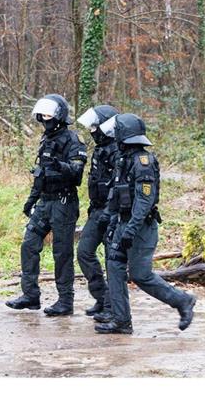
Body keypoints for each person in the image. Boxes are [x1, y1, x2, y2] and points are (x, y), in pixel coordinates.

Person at [95, 113, 196, 334]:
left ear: (125, 135)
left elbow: (144, 200)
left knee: (140, 275)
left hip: (140, 228)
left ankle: (182, 300)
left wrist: (130, 229)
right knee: (113, 269)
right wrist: (111, 222)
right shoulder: (122, 160)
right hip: (122, 224)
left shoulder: (143, 162)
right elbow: (116, 196)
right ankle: (122, 321)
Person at [6, 94, 87, 316]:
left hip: (64, 202)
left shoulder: (73, 140)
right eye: (42, 115)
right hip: (45, 201)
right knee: (29, 245)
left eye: (48, 115)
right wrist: (31, 199)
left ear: (59, 115)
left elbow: (77, 173)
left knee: (62, 253)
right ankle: (30, 295)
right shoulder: (46, 140)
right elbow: (40, 175)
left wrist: (58, 165)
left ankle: (65, 300)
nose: (44, 118)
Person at [75, 104, 119, 319]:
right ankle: (101, 298)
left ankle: (112, 306)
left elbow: (118, 186)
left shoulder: (118, 149)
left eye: (95, 127)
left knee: (113, 259)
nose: (92, 131)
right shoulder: (100, 149)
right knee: (84, 252)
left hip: (113, 213)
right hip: (97, 210)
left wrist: (111, 211)